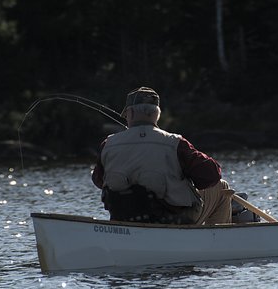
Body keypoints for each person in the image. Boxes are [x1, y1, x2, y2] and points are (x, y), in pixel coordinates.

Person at [92, 87, 232, 225]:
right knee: (222, 186)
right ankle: (213, 243)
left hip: (124, 219)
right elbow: (212, 175)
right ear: (156, 114)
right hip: (172, 221)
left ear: (131, 113)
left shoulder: (108, 144)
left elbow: (98, 180)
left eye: (126, 115)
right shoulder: (176, 143)